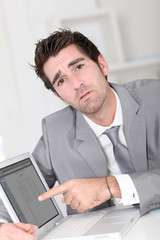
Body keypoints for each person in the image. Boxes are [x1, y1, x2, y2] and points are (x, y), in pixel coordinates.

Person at [1, 29, 160, 239]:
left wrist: (111, 186)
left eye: (79, 66)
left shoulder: (154, 98)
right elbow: (17, 198)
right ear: (60, 97)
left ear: (102, 64)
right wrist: (3, 226)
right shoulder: (55, 131)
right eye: (61, 81)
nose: (76, 84)